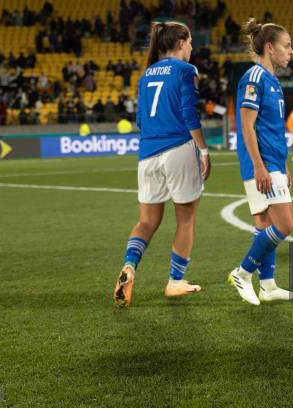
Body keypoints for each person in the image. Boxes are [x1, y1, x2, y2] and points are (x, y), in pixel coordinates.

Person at [113, 21, 211, 307]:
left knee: (147, 221)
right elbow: (188, 114)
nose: (192, 47)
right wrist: (204, 150)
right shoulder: (185, 70)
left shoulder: (145, 75)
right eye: (190, 42)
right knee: (186, 218)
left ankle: (130, 266)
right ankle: (175, 281)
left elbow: (141, 121)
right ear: (181, 42)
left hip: (147, 153)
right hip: (178, 148)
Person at [228, 18, 293, 305]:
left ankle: (268, 285)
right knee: (284, 224)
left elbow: (271, 129)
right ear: (270, 48)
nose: (291, 51)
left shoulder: (272, 82)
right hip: (262, 164)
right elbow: (246, 126)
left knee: (265, 223)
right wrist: (260, 166)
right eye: (287, 45)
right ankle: (242, 273)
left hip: (273, 162)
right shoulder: (254, 78)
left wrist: (284, 166)